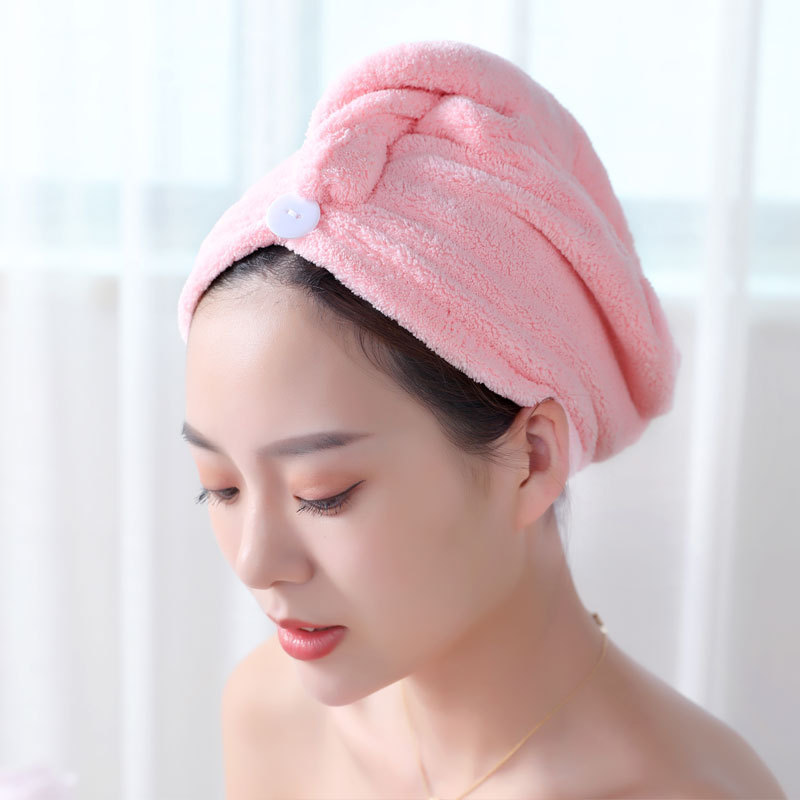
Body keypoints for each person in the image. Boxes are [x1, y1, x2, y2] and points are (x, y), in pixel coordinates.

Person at [178, 41, 787, 799]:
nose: (255, 562)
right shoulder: (272, 716)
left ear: (533, 460)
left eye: (323, 493)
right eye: (221, 488)